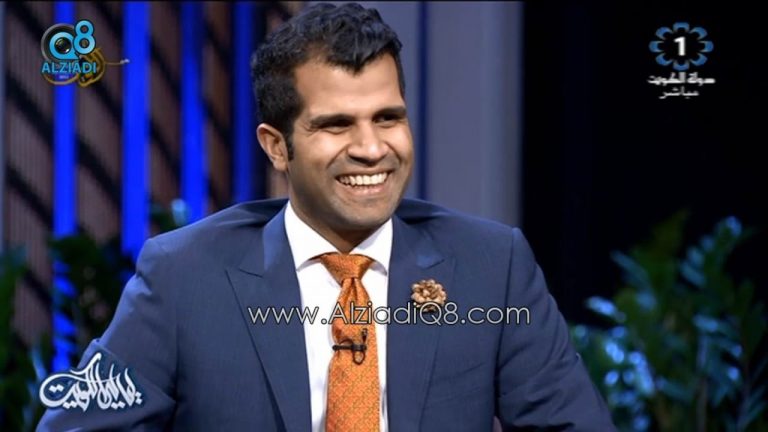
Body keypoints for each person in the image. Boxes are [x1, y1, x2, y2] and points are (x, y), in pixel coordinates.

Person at [37, 3, 615, 431]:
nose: (372, 148)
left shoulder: (490, 266)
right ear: (277, 147)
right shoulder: (185, 276)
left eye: (388, 118)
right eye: (337, 125)